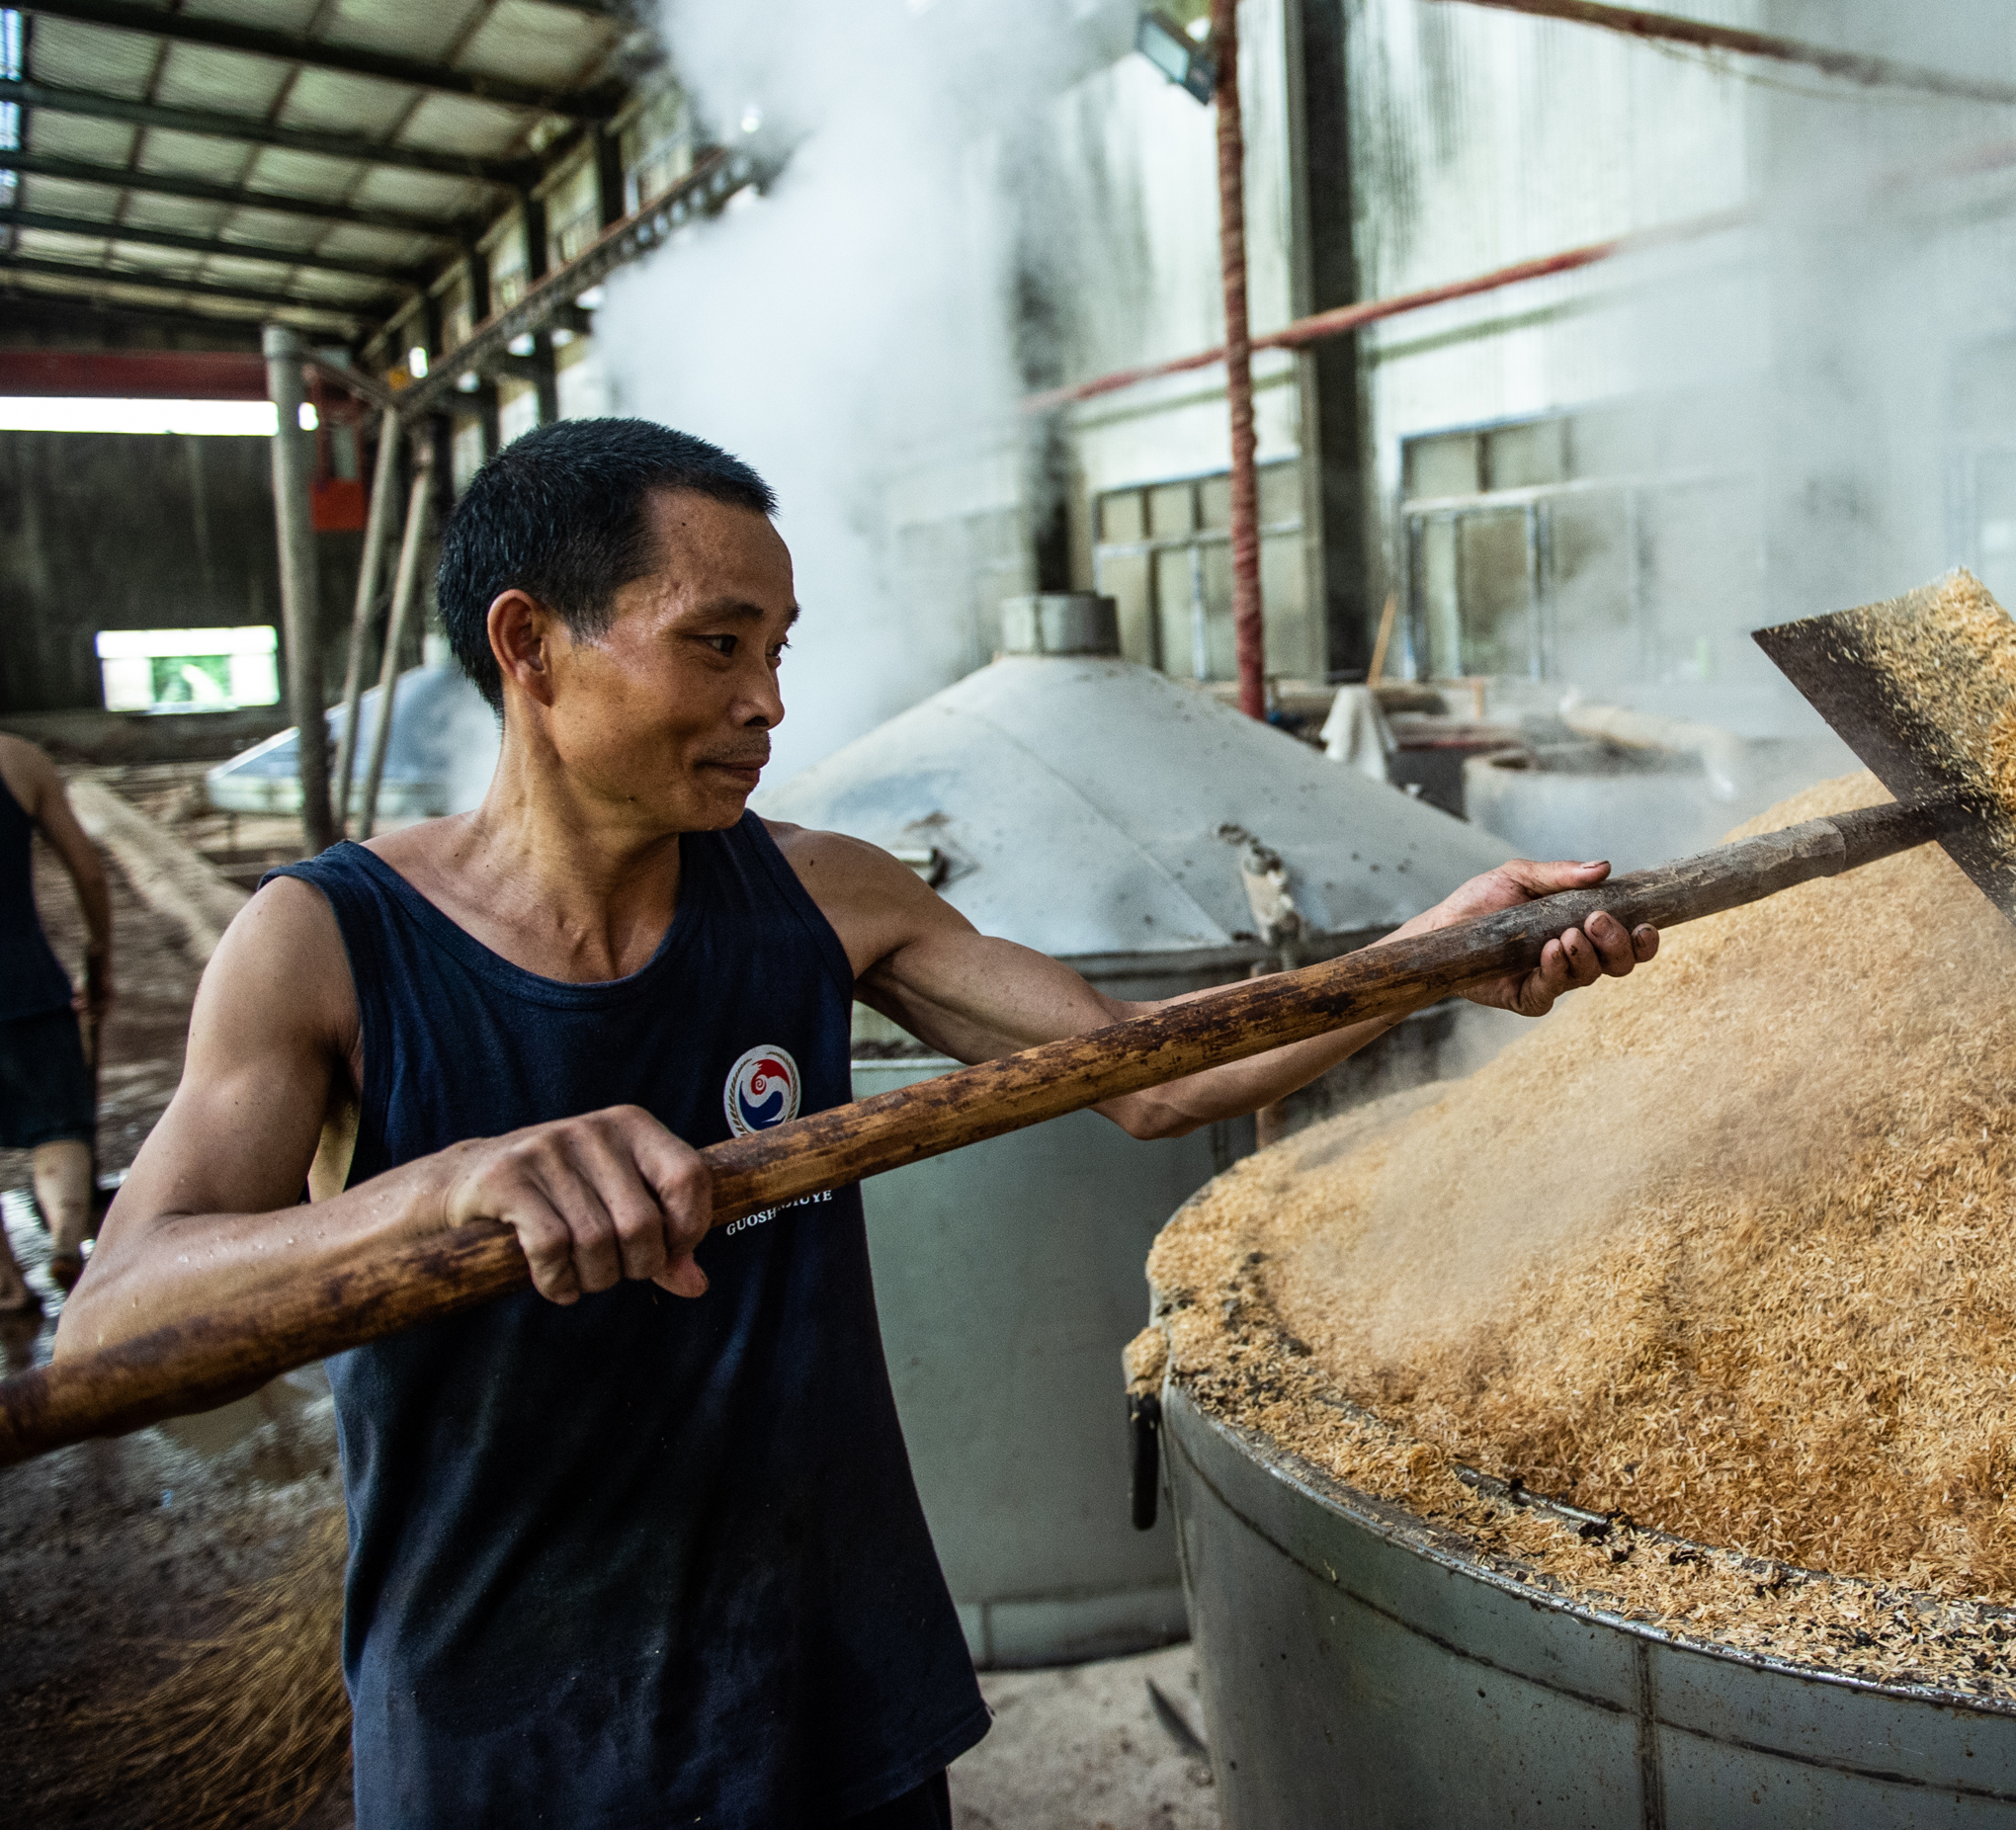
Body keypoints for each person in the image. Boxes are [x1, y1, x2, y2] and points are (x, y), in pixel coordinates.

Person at [59, 417, 1658, 1828]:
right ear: (529, 643)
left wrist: (1441, 953)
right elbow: (114, 1330)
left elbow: (1156, 1073)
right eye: (716, 644)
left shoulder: (820, 892)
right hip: (510, 1714)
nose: (768, 701)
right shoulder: (331, 944)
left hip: (832, 1686)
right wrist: (442, 1191)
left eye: (782, 650)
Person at [0, 731, 112, 1314]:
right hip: (26, 983)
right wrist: (99, 959)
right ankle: (67, 1240)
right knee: (61, 1130)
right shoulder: (17, 759)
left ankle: (6, 1284)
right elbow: (89, 874)